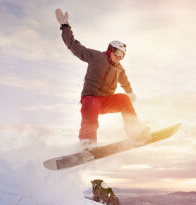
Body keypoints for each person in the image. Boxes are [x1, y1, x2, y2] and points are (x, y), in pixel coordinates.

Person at [55, 9, 150, 146]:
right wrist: (65, 26)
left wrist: (130, 92)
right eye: (117, 53)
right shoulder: (96, 57)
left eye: (122, 56)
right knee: (91, 107)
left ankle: (136, 132)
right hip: (91, 99)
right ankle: (87, 143)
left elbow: (125, 81)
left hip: (106, 101)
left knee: (123, 99)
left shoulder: (119, 68)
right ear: (110, 50)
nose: (119, 57)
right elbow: (74, 46)